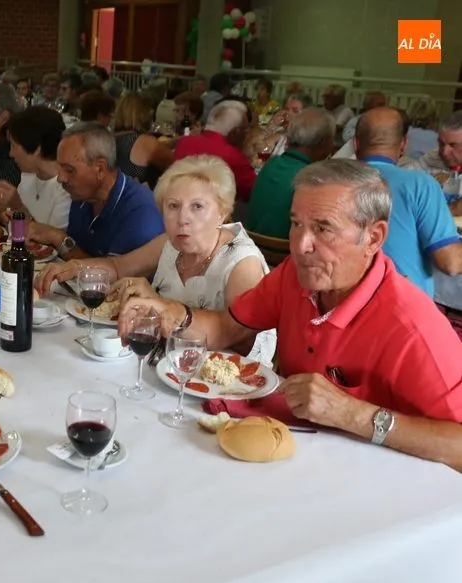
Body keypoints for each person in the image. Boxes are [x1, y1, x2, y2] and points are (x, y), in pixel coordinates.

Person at [116, 159, 462, 471]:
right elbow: (225, 328)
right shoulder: (294, 277)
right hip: (298, 459)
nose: (300, 245)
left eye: (323, 228)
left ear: (373, 237)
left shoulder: (412, 326)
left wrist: (353, 414)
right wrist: (169, 312)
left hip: (382, 485)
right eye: (296, 224)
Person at [37, 154, 275, 362]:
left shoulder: (242, 262)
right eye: (173, 206)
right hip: (167, 363)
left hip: (222, 381)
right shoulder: (171, 243)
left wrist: (159, 304)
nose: (183, 219)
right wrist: (77, 267)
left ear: (222, 213)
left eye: (197, 207)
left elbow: (238, 339)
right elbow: (119, 267)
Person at [354, 107, 462, 297]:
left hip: (342, 299)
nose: (444, 152)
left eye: (453, 145)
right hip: (402, 302)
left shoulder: (330, 181)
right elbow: (451, 262)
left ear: (355, 144)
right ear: (403, 144)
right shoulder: (421, 184)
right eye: (441, 144)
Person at [27, 122, 164, 259]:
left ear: (100, 169)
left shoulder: (140, 213)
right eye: (60, 167)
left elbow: (111, 271)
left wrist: (58, 238)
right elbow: (77, 254)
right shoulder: (83, 196)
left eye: (69, 170)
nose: (60, 178)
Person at [247, 107, 337, 239]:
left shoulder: (271, 163)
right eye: (332, 139)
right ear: (324, 142)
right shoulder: (313, 178)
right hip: (283, 250)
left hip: (252, 243)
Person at [0, 106, 71, 229]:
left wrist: (17, 207)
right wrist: (6, 215)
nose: (11, 153)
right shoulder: (27, 177)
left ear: (36, 149)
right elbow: (17, 222)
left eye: (13, 146)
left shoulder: (66, 189)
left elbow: (52, 238)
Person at [175, 100, 256, 202]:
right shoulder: (234, 156)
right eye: (245, 129)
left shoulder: (184, 143)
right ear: (236, 131)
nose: (247, 133)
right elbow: (257, 192)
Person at [112, 92, 174, 189]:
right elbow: (177, 164)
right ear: (145, 115)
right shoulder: (144, 142)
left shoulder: (108, 138)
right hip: (135, 195)